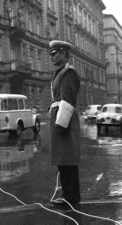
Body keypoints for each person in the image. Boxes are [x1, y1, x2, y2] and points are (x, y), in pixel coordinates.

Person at [48, 40, 81, 206]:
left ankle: (71, 197)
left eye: (54, 54)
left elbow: (68, 100)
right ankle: (68, 195)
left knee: (68, 160)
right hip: (60, 119)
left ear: (63, 54)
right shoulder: (60, 72)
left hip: (64, 121)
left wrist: (61, 125)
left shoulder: (68, 72)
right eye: (51, 55)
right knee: (63, 160)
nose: (52, 57)